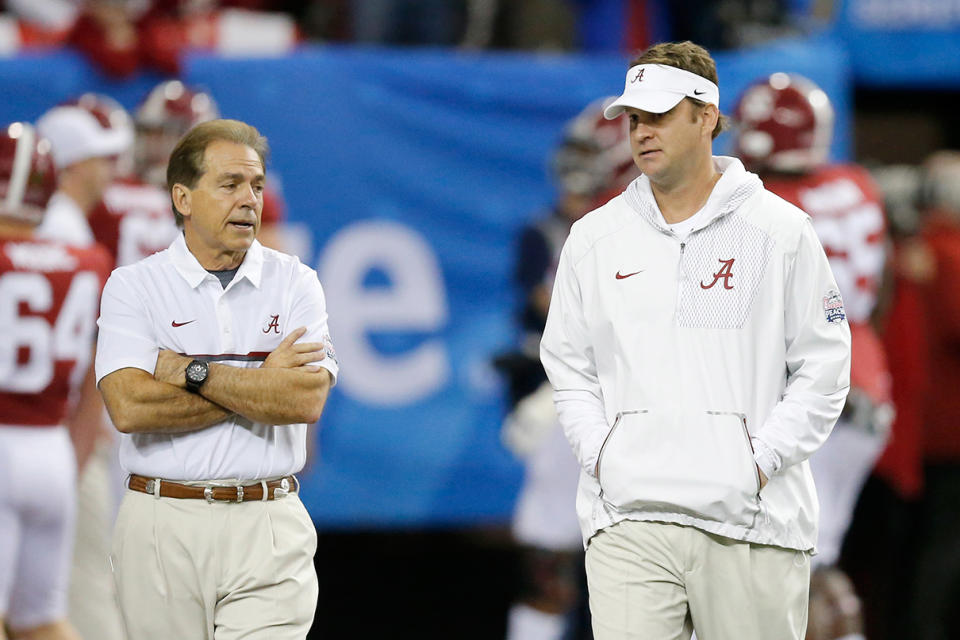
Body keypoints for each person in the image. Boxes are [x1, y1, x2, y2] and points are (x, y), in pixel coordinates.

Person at [539, 41, 851, 640]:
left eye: (659, 115)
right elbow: (569, 365)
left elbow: (824, 365)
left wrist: (758, 463)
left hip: (752, 524)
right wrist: (602, 456)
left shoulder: (780, 231)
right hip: (629, 519)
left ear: (707, 117)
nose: (642, 132)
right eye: (634, 119)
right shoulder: (594, 237)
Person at [94, 118, 337, 640]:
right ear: (183, 198)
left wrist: (188, 370)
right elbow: (130, 408)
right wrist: (259, 384)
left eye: (255, 185)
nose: (249, 199)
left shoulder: (297, 282)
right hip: (161, 520)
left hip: (269, 520)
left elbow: (305, 398)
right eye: (229, 184)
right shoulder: (133, 286)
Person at [732, 73, 894, 639]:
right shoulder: (857, 184)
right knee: (815, 560)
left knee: (779, 569)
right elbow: (881, 293)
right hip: (866, 382)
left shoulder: (764, 207)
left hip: (805, 395)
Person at [500, 96, 638, 640]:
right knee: (551, 559)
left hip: (639, 406)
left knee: (658, 564)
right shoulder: (569, 230)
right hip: (588, 396)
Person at [0, 121, 111, 640]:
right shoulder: (89, 263)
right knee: (43, 621)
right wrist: (74, 454)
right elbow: (96, 375)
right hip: (51, 451)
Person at [36, 94, 133, 640]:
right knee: (79, 597)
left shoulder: (50, 225)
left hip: (36, 432)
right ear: (73, 166)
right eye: (103, 158)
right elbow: (82, 361)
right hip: (55, 431)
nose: (112, 170)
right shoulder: (65, 231)